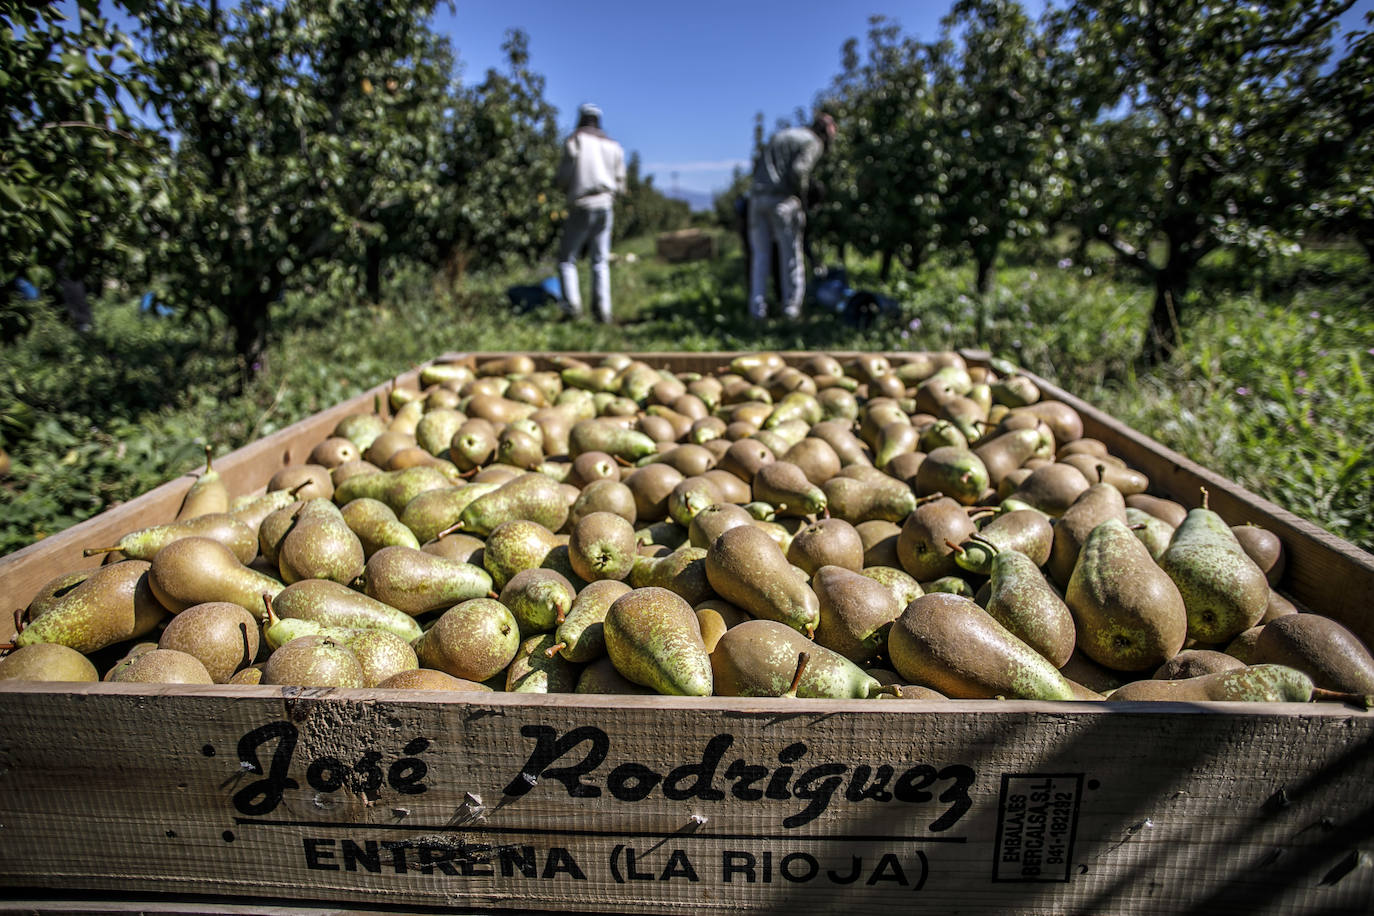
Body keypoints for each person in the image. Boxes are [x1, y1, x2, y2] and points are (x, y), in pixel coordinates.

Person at [747, 112, 836, 321]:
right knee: (791, 256)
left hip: (757, 198)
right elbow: (798, 170)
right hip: (781, 200)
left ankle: (757, 311)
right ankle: (791, 309)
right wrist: (803, 200)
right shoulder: (813, 142)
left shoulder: (784, 134)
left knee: (760, 258)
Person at [555, 103, 627, 324]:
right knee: (600, 259)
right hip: (606, 204)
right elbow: (621, 181)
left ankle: (572, 307)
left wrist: (560, 187)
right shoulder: (613, 145)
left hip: (582, 204)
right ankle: (602, 310)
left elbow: (563, 177)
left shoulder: (575, 140)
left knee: (566, 258)